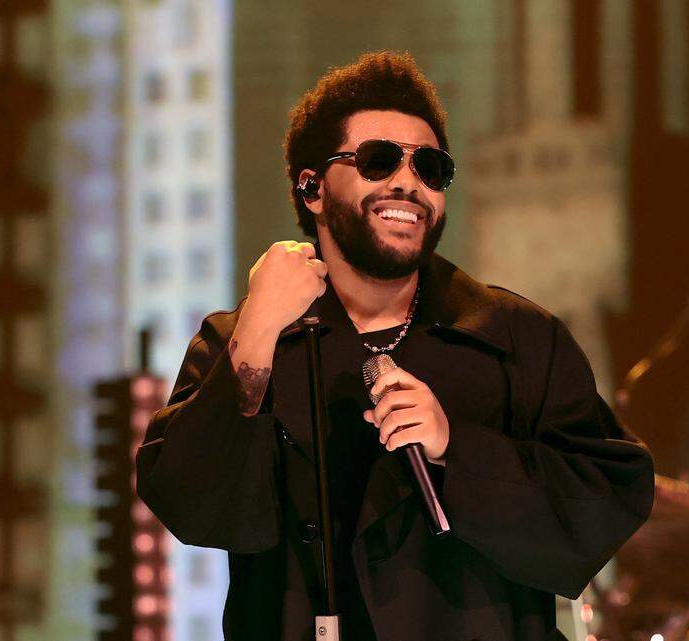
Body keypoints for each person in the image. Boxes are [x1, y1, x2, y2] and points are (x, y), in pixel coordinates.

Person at [136, 51, 654, 641]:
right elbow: (188, 503)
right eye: (378, 161)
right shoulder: (240, 339)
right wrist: (258, 329)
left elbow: (610, 493)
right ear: (312, 189)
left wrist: (456, 448)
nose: (408, 182)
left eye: (430, 168)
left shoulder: (516, 336)